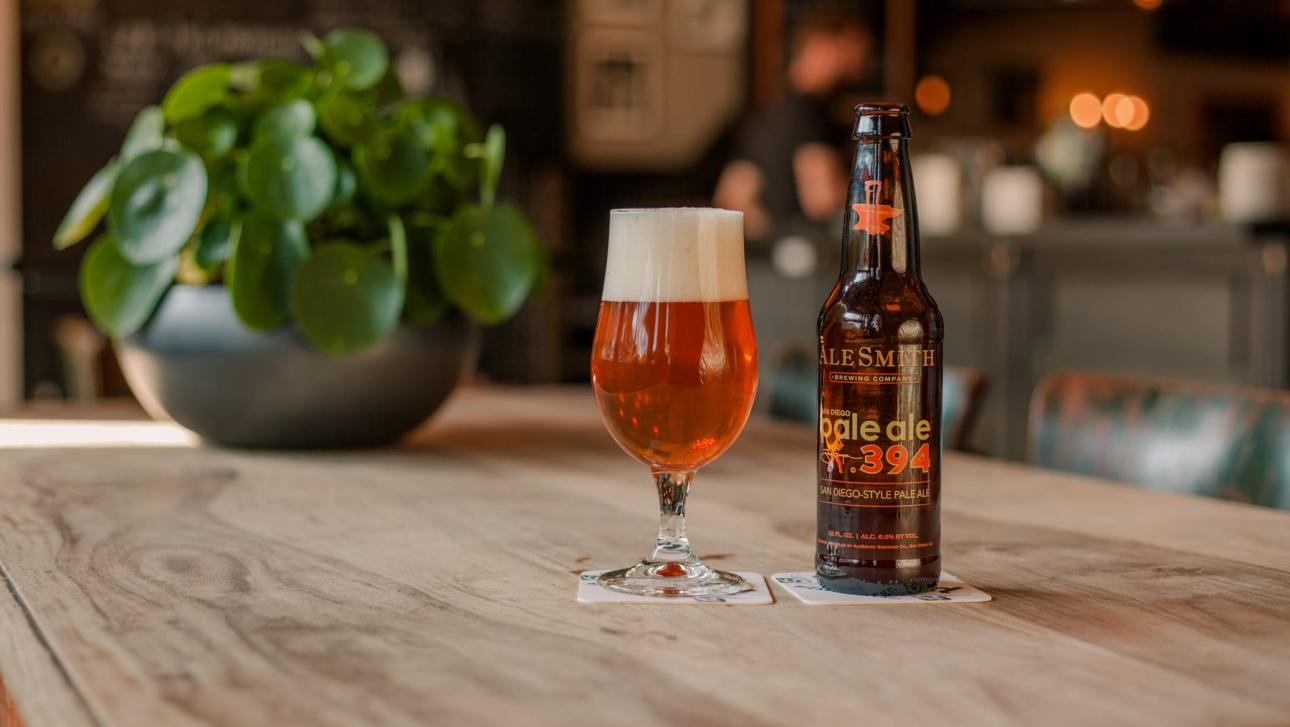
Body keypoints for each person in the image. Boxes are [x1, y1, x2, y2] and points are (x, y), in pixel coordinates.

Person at [715, 10, 871, 244]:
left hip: (772, 254)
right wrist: (877, 194)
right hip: (808, 251)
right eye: (854, 47)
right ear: (823, 45)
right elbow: (821, 199)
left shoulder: (764, 113)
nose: (860, 61)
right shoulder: (809, 114)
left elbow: (732, 195)